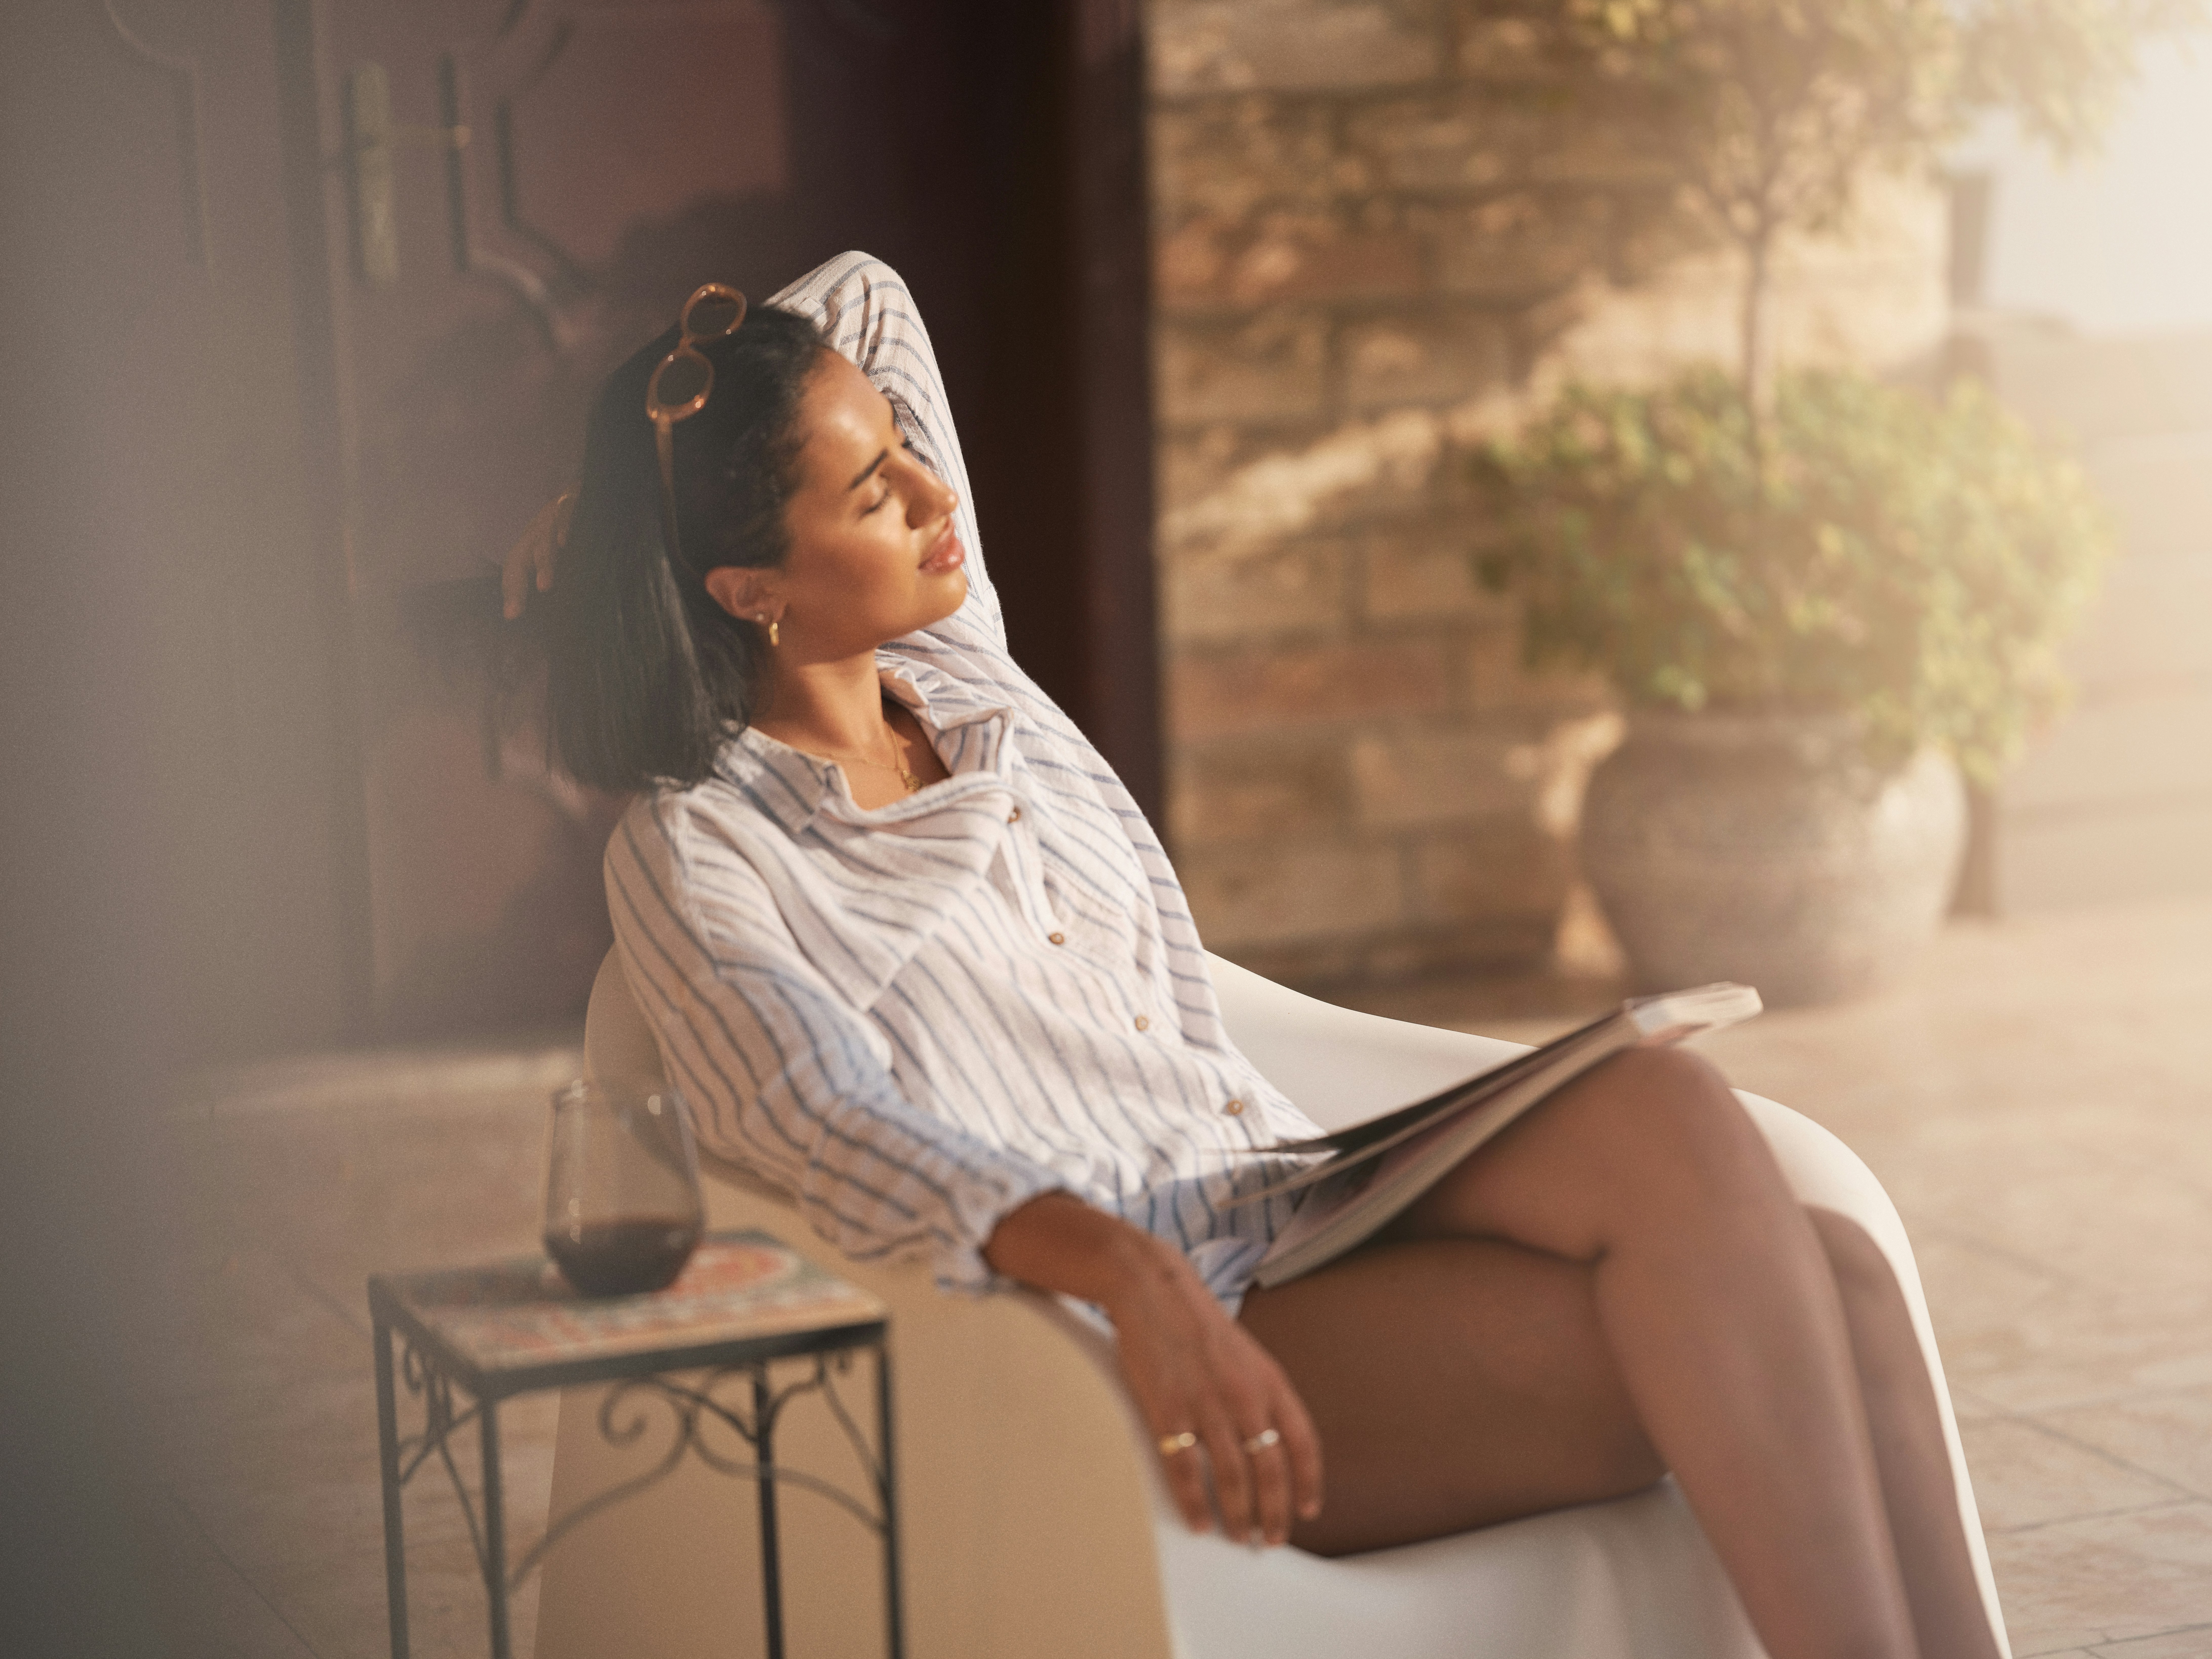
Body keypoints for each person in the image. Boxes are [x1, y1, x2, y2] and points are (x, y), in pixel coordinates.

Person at [505, 253, 2000, 1659]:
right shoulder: (704, 850)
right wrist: (1134, 1278)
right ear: (751, 588)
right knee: (1809, 1296)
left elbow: (863, 294)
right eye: (872, 489)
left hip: (1290, 1194)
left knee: (1713, 1149)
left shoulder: (956, 666)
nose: (932, 489)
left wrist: (633, 484)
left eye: (905, 442)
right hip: (1156, 1330)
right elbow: (824, 1125)